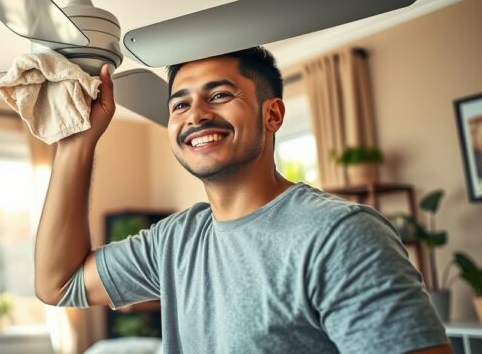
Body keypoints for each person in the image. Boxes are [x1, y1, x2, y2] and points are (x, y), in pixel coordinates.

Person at [34, 47, 451, 353]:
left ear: (273, 115)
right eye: (180, 104)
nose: (195, 114)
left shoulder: (341, 234)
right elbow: (58, 284)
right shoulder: (175, 240)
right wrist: (76, 143)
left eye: (219, 95)